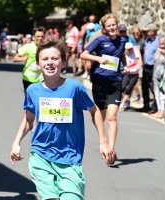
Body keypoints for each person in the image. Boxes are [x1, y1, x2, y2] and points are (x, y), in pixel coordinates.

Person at [10, 37, 115, 200]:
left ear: (63, 63)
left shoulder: (74, 88)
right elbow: (29, 118)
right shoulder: (33, 90)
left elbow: (94, 111)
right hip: (41, 156)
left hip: (69, 157)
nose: (50, 62)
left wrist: (103, 141)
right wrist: (16, 143)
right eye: (45, 59)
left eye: (55, 58)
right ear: (38, 64)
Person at [80, 13, 127, 163]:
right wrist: (98, 58)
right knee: (101, 116)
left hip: (115, 82)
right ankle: (104, 140)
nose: (112, 28)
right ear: (104, 29)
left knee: (112, 116)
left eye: (114, 25)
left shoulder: (123, 40)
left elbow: (121, 55)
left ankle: (110, 150)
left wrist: (124, 66)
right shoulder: (100, 40)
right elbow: (83, 55)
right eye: (109, 26)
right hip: (100, 81)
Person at [13, 26, 45, 92]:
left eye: (42, 36)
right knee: (29, 100)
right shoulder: (28, 47)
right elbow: (15, 58)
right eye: (38, 36)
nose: (40, 38)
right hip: (28, 78)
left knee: (40, 100)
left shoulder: (46, 48)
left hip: (41, 78)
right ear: (33, 37)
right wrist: (22, 58)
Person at [141, 23, 159, 113]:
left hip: (154, 66)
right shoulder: (147, 40)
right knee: (144, 86)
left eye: (147, 31)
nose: (146, 33)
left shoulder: (158, 40)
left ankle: (155, 106)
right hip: (146, 66)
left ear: (152, 32)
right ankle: (146, 105)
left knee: (154, 87)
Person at [119, 42, 143, 112]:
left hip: (134, 74)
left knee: (129, 89)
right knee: (122, 87)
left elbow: (139, 62)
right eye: (128, 49)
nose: (129, 50)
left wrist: (138, 67)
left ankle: (122, 104)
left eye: (130, 49)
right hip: (127, 74)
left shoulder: (135, 54)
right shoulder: (125, 56)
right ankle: (120, 101)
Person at [151, 35, 165, 119]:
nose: (161, 42)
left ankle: (162, 111)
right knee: (156, 92)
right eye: (160, 41)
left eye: (163, 41)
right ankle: (158, 110)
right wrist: (153, 75)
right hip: (156, 72)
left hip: (164, 72)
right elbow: (155, 63)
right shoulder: (157, 51)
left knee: (162, 92)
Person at [132, 26, 145, 102]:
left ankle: (142, 96)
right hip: (133, 64)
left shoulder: (142, 42)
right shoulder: (132, 41)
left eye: (137, 33)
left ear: (140, 33)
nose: (136, 34)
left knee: (140, 81)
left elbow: (145, 53)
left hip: (140, 64)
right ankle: (138, 95)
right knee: (132, 82)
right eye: (134, 33)